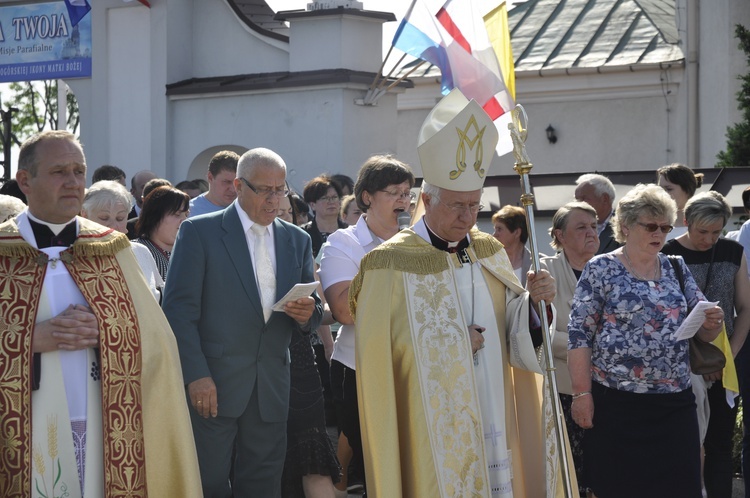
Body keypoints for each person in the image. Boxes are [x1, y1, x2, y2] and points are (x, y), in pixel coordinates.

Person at [348, 89, 571, 497]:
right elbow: (380, 358)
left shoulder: (488, 250)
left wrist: (537, 305)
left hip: (492, 401)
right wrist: (452, 342)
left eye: (474, 206)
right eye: (455, 206)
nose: (467, 217)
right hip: (430, 419)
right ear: (426, 200)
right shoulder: (388, 264)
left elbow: (516, 329)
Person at [0, 130, 201, 497]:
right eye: (59, 171)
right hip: (22, 427)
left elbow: (157, 340)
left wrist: (109, 330)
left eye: (79, 171)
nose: (73, 181)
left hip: (105, 419)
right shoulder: (3, 252)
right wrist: (28, 339)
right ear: (24, 181)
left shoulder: (111, 248)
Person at [162, 147, 323, 498]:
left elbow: (314, 308)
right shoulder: (199, 233)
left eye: (281, 189)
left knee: (264, 483)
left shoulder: (296, 239)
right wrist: (196, 375)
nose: (275, 199)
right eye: (265, 189)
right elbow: (177, 312)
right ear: (238, 185)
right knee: (209, 482)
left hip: (271, 385)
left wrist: (307, 312)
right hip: (213, 385)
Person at [569, 183, 724, 498]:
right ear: (625, 226)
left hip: (674, 404)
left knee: (681, 487)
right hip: (617, 406)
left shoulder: (675, 267)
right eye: (651, 226)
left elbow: (705, 330)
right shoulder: (601, 268)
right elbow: (579, 334)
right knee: (619, 489)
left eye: (665, 227)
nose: (660, 234)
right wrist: (581, 393)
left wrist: (712, 322)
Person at [319, 154, 415, 497]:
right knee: (374, 457)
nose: (403, 201)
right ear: (367, 197)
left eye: (407, 192)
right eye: (394, 192)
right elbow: (345, 310)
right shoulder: (344, 244)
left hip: (411, 365)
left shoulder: (421, 245)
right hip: (359, 367)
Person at [662, 191, 750, 498]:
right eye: (702, 231)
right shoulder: (666, 252)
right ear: (686, 221)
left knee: (720, 445)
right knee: (682, 442)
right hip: (678, 364)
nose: (709, 239)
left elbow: (745, 307)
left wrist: (728, 356)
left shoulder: (732, 250)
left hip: (724, 361)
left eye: (716, 232)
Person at [539, 201, 599, 498]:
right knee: (570, 474)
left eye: (594, 226)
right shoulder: (543, 272)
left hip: (606, 389)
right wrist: (591, 347)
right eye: (581, 227)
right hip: (563, 390)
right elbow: (542, 335)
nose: (591, 233)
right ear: (560, 236)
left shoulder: (612, 268)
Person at [81, 180, 164, 301]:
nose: (113, 226)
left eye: (120, 218)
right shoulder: (73, 255)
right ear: (85, 215)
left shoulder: (141, 253)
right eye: (104, 218)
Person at [133, 186, 190, 282]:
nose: (185, 220)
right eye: (177, 214)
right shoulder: (137, 251)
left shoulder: (190, 251)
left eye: (186, 215)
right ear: (155, 216)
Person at [302, 175, 348, 258]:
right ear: (312, 205)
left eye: (334, 197)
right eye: (325, 198)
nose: (331, 202)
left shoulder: (349, 232)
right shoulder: (303, 234)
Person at [575, 173, 619, 254]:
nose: (578, 204)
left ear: (605, 199)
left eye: (583, 199)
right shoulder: (572, 227)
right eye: (577, 200)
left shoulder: (624, 229)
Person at [657, 162, 704, 238]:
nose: (663, 193)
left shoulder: (703, 230)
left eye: (669, 189)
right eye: (660, 189)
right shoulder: (652, 228)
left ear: (687, 190)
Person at [189, 150, 240, 217]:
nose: (233, 189)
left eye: (237, 183)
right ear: (210, 178)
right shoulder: (189, 211)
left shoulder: (249, 211)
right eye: (226, 182)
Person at [492, 204, 532, 285]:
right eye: (495, 229)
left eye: (499, 229)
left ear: (517, 232)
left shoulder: (539, 264)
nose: (494, 235)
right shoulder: (489, 262)